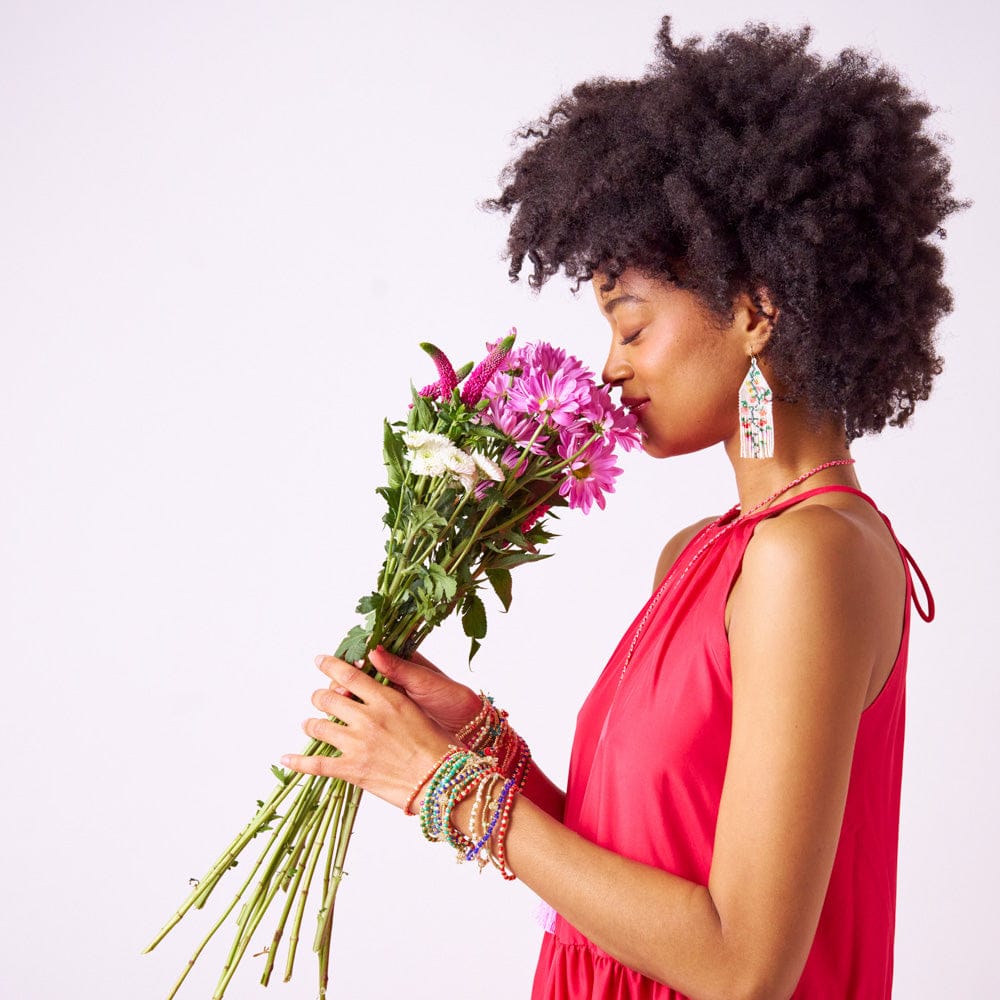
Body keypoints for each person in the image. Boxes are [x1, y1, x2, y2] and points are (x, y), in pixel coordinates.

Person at [280, 15, 967, 999]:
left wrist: (451, 791)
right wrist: (487, 753)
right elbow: (650, 883)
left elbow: (739, 964)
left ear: (754, 310)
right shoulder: (703, 552)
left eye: (632, 323)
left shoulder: (812, 554)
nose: (610, 366)